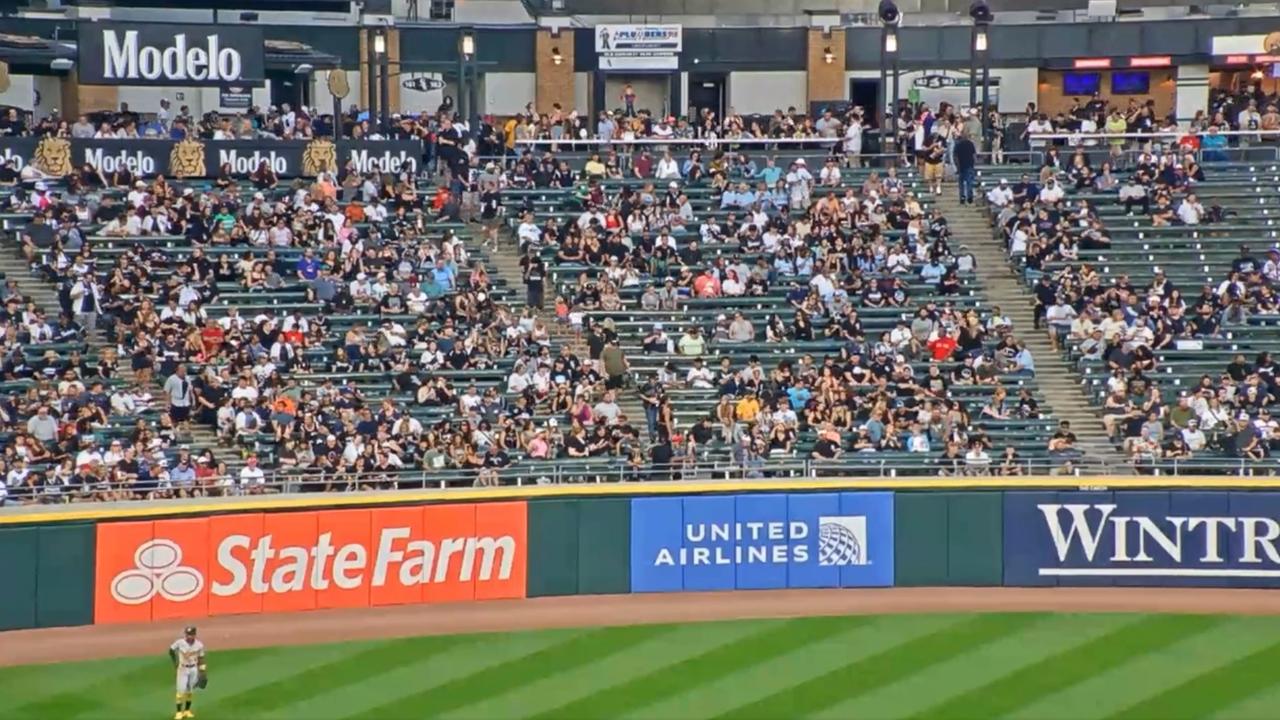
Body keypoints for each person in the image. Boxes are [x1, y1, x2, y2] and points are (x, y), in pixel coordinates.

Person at [168, 625, 206, 720]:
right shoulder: (180, 642)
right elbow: (171, 650)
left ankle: (187, 711)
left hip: (193, 669)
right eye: (188, 634)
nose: (189, 636)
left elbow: (201, 658)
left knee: (190, 690)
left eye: (191, 634)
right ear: (185, 634)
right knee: (180, 691)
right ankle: (178, 713)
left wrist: (202, 671)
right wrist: (175, 662)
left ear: (194, 635)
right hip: (182, 669)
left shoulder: (199, 645)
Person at [954, 131, 977, 204]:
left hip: (961, 167)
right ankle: (969, 197)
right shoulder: (971, 144)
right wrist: (974, 164)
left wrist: (957, 166)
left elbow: (955, 157)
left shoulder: (958, 145)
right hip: (969, 166)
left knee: (961, 184)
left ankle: (962, 197)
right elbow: (974, 155)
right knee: (969, 182)